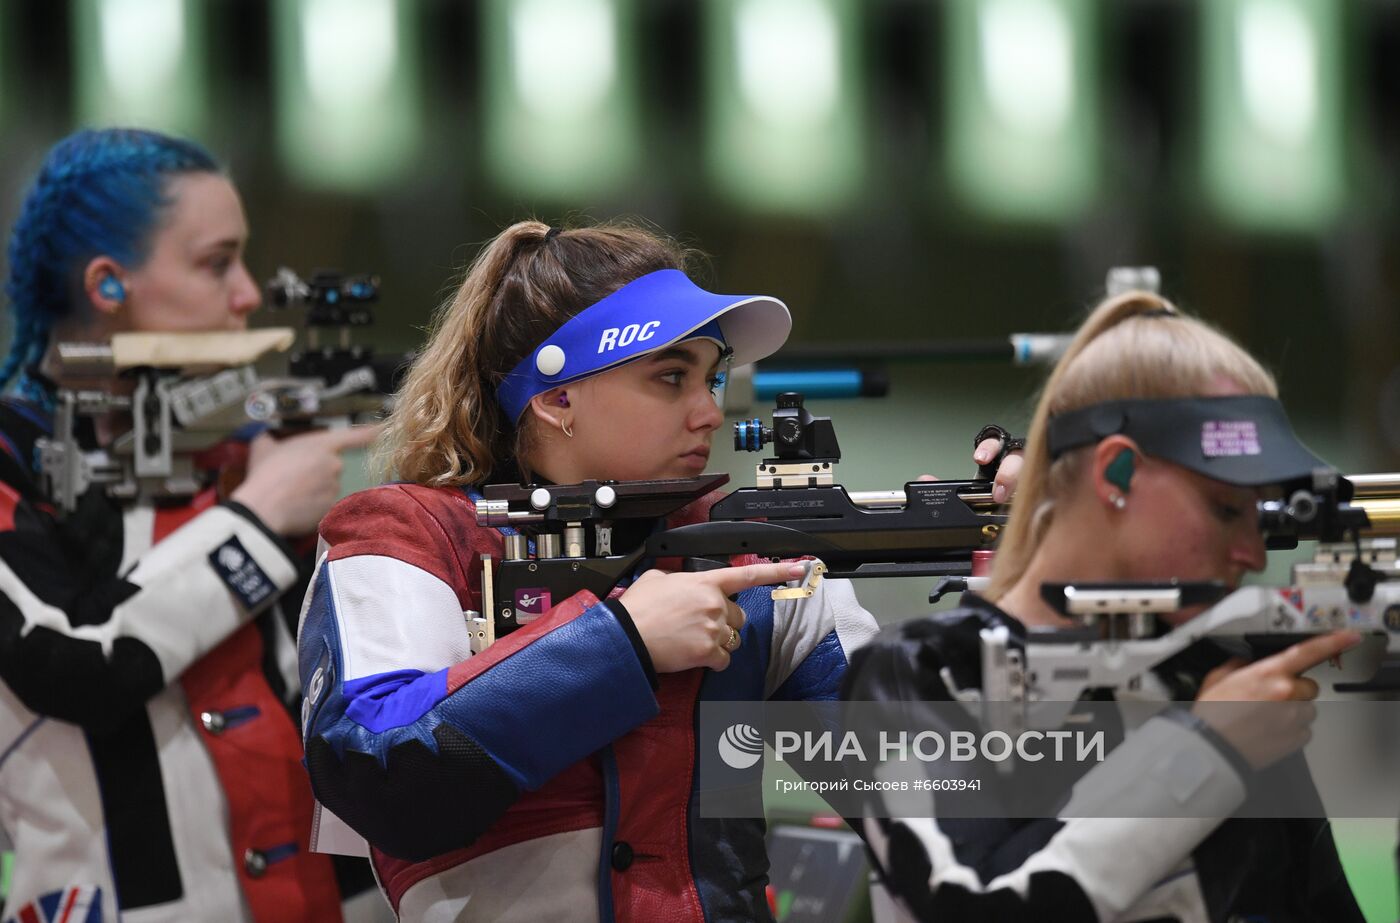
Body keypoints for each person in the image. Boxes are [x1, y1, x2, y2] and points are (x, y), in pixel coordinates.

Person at [296, 219, 1021, 921]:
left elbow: (936, 794)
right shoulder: (405, 534)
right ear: (557, 396)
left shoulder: (748, 557)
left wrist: (1023, 587)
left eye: (712, 377)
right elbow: (377, 774)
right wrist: (624, 641)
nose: (710, 411)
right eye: (672, 377)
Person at [842, 290, 1365, 922]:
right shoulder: (921, 670)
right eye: (1227, 510)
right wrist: (1208, 749)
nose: (1253, 554)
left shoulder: (1215, 682)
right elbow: (969, 904)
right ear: (1116, 474)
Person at [0, 128, 375, 922]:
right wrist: (262, 518)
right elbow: (71, 662)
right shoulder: (14, 454)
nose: (247, 293)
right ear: (109, 285)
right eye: (216, 262)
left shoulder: (249, 436)